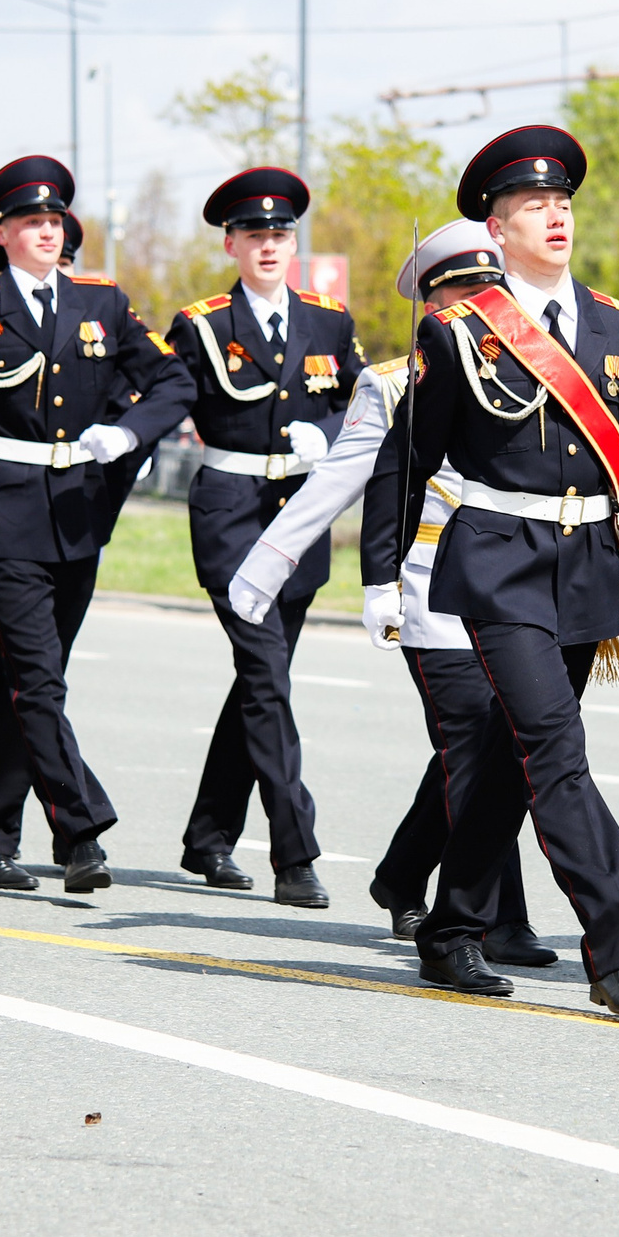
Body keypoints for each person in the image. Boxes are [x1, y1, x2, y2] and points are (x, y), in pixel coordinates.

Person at [362, 125, 619, 1021]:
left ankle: (451, 926)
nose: (555, 217)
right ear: (495, 232)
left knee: (509, 757)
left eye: (563, 203)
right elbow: (408, 458)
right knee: (557, 750)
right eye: (534, 206)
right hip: (497, 561)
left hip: (586, 567)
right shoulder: (460, 331)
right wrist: (380, 577)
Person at [232, 219, 552, 965]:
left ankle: (405, 873)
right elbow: (337, 484)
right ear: (434, 305)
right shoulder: (393, 382)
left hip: (514, 589)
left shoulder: (539, 365)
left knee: (499, 742)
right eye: (464, 293)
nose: (481, 305)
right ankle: (495, 914)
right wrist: (265, 565)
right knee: (476, 737)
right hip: (430, 588)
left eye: (490, 288)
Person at [0, 161, 193, 889]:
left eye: (55, 222)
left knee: (22, 679)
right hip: (3, 508)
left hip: (78, 510)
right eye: (32, 222)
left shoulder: (101, 300)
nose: (47, 231)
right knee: (38, 679)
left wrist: (131, 433)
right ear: (3, 233)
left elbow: (173, 379)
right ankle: (78, 829)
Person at [162, 168, 363, 906]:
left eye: (281, 233)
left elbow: (357, 404)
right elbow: (165, 398)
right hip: (233, 514)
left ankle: (208, 838)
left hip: (299, 520)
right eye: (255, 234)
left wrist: (330, 433)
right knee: (267, 682)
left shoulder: (328, 320)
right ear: (231, 243)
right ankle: (293, 851)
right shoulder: (203, 324)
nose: (270, 245)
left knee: (258, 686)